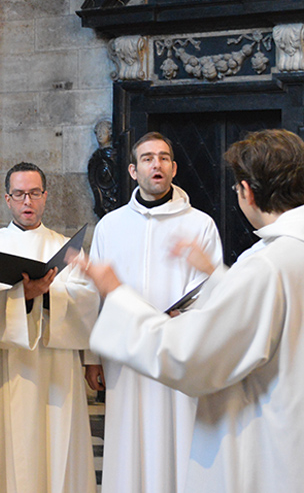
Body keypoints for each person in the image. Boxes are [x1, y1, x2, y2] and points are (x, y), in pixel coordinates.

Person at [81, 129, 304, 492]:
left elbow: (186, 355)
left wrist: (116, 295)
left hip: (270, 447)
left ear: (246, 191)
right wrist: (216, 276)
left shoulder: (267, 265)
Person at [84, 132, 223, 493]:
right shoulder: (110, 226)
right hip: (125, 355)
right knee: (127, 441)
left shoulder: (200, 224)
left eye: (163, 158)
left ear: (174, 168)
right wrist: (91, 356)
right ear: (133, 170)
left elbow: (213, 293)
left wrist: (187, 322)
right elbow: (94, 294)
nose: (156, 164)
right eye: (147, 158)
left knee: (178, 437)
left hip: (178, 352)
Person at [0, 162, 99, 493]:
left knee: (58, 441)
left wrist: (44, 292)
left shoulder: (67, 248)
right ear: (7, 199)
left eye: (35, 193)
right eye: (20, 194)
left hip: (57, 366)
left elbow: (86, 300)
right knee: (10, 444)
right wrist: (22, 297)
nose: (28, 201)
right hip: (8, 366)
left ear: (45, 197)